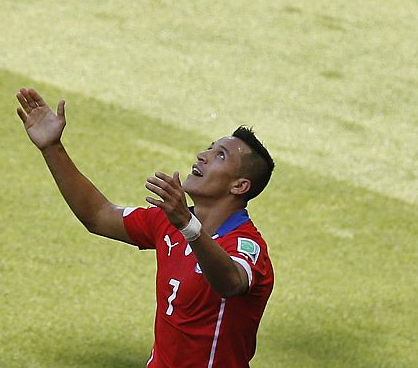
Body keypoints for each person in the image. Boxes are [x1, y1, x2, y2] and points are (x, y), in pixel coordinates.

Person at [15, 87, 275, 367]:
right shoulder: (169, 221)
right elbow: (98, 215)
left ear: (239, 185)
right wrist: (52, 148)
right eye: (210, 147)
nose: (203, 155)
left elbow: (231, 282)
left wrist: (188, 227)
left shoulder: (246, 245)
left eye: (220, 155)